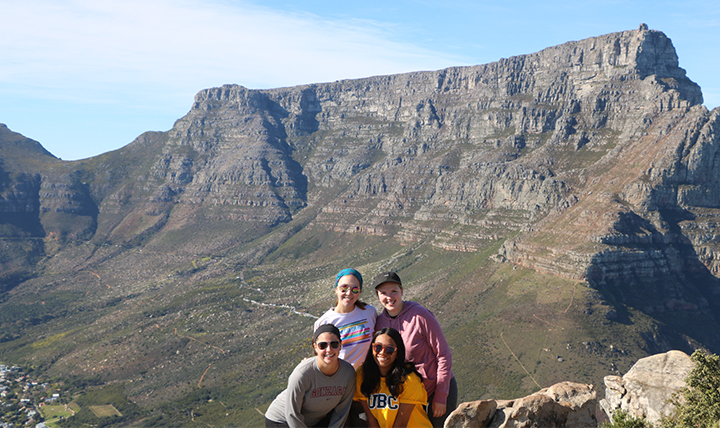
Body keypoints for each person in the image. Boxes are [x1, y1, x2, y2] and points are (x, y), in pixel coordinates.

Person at [372, 272, 458, 428]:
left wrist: (441, 395)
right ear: (378, 296)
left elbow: (444, 354)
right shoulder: (380, 323)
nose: (389, 297)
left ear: (402, 292)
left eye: (394, 291)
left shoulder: (420, 315)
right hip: (408, 393)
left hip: (435, 389)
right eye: (383, 293)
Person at [265, 324, 356, 428]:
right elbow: (292, 413)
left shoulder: (348, 373)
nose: (329, 349)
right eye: (323, 345)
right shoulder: (303, 373)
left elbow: (341, 411)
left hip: (313, 422)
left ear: (340, 345)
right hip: (282, 420)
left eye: (334, 344)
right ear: (315, 347)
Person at [353, 327, 432, 428]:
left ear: (398, 353)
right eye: (378, 347)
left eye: (390, 349)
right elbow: (371, 421)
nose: (382, 352)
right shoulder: (362, 375)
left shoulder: (409, 379)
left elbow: (401, 424)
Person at [314, 268, 378, 369]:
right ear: (336, 290)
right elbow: (321, 356)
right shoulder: (324, 322)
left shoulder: (369, 312)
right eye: (344, 288)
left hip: (367, 378)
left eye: (355, 289)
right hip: (341, 379)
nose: (349, 293)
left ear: (359, 292)